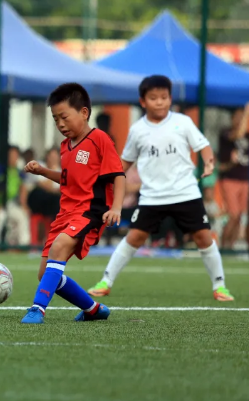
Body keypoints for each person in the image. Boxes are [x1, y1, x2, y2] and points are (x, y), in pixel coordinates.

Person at [87, 75, 234, 302]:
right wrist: (105, 178)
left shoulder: (183, 122)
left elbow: (203, 145)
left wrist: (209, 162)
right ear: (143, 101)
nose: (159, 102)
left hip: (185, 193)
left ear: (170, 99)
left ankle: (220, 286)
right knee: (135, 237)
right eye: (153, 98)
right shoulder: (137, 130)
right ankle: (106, 281)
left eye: (164, 97)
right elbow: (125, 162)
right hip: (152, 196)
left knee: (203, 237)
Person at [21, 83, 125, 325]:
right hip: (65, 214)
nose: (60, 124)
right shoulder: (65, 147)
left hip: (89, 211)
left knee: (59, 247)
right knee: (44, 274)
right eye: (55, 119)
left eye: (64, 117)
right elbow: (68, 179)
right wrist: (43, 171)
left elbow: (118, 175)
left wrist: (116, 208)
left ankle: (37, 309)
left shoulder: (99, 139)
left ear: (84, 113)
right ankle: (93, 309)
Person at [217, 103, 249, 249]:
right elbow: (238, 135)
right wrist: (246, 113)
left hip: (245, 179)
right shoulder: (226, 133)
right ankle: (224, 247)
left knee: (240, 216)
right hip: (230, 179)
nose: (241, 119)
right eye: (238, 116)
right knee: (233, 214)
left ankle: (231, 247)